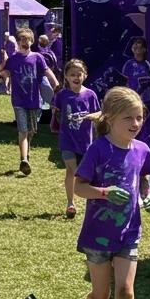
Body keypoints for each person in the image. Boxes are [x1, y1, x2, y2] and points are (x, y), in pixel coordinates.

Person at [74, 87, 150, 299]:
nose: (135, 124)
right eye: (128, 118)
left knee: (125, 294)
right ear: (109, 118)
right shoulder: (98, 149)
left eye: (139, 117)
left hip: (128, 233)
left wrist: (148, 193)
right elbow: (78, 187)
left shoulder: (142, 150)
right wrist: (104, 192)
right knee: (101, 294)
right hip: (97, 235)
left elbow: (143, 178)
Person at [0, 27, 60, 175]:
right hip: (18, 101)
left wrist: (56, 84)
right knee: (23, 130)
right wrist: (0, 68)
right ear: (18, 42)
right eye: (22, 40)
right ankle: (23, 160)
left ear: (32, 41)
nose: (25, 42)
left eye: (27, 39)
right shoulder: (13, 59)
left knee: (31, 132)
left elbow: (47, 71)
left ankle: (26, 152)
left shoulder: (37, 57)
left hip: (34, 101)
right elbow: (5, 73)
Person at [52, 59, 101, 218]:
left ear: (85, 75)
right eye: (72, 74)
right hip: (67, 140)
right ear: (66, 76)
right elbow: (56, 109)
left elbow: (100, 113)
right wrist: (55, 116)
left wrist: (90, 116)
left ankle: (93, 202)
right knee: (71, 170)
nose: (76, 77)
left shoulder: (90, 95)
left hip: (85, 142)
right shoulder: (62, 95)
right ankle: (70, 203)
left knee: (87, 175)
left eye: (79, 74)